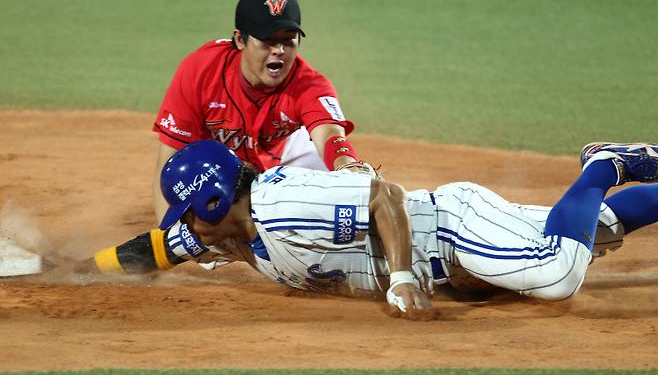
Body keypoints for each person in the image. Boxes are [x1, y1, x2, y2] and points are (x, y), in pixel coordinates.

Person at [87, 141, 658, 320]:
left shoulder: (282, 205)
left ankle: (604, 165)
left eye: (186, 215)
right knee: (597, 229)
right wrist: (72, 269)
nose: (183, 229)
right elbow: (157, 250)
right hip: (451, 251)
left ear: (212, 205)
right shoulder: (228, 235)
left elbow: (384, 195)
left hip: (450, 230)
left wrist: (403, 276)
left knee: (558, 273)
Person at [151, 0, 375, 223]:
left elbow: (330, 135)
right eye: (267, 41)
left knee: (335, 198)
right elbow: (170, 158)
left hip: (286, 153)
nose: (279, 50)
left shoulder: (310, 85)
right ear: (240, 40)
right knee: (208, 245)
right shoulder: (201, 71)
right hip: (217, 164)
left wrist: (346, 165)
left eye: (288, 40)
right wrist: (168, 237)